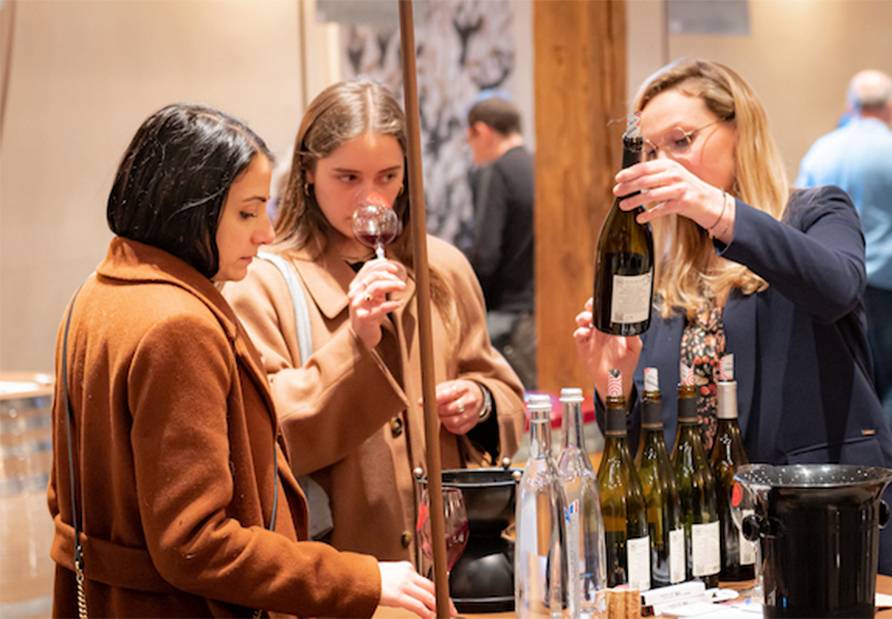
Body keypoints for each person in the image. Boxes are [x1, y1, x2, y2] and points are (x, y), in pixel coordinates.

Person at [48, 103, 437, 618]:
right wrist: (359, 578)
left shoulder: (97, 293)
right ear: (192, 209)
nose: (266, 232)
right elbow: (197, 543)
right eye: (248, 212)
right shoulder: (177, 324)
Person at [572, 59, 892, 573]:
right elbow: (645, 449)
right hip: (701, 543)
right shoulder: (659, 261)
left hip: (815, 524)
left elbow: (836, 287)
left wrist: (718, 210)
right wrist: (617, 380)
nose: (663, 164)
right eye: (651, 151)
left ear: (739, 127)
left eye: (681, 141)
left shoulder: (815, 213)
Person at [224, 80, 525, 565]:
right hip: (340, 573)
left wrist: (481, 403)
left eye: (388, 176)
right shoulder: (263, 283)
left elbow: (503, 389)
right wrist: (353, 342)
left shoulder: (442, 268)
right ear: (307, 172)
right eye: (347, 178)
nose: (372, 199)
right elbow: (262, 433)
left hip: (446, 571)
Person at [796, 69, 892, 422]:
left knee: (848, 378)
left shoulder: (822, 151)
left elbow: (795, 217)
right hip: (887, 285)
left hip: (831, 286)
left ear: (851, 105)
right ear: (889, 108)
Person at [465, 95, 537, 388]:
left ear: (480, 131)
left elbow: (486, 253)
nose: (470, 149)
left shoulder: (496, 171)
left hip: (507, 315)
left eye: (469, 139)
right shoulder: (536, 166)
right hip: (539, 310)